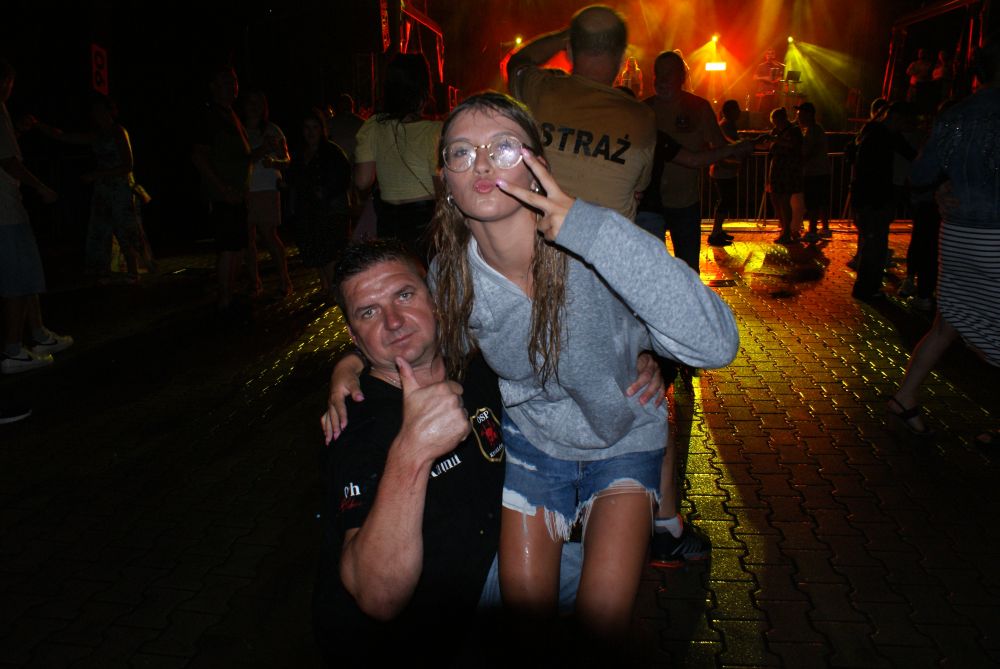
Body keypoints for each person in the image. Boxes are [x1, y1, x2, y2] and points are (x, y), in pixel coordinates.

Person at [324, 92, 739, 657]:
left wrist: (594, 241)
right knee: (525, 636)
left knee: (601, 629)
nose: (483, 163)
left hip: (620, 438)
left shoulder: (593, 241)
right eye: (462, 153)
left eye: (502, 147)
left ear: (537, 163)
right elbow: (413, 336)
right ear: (446, 180)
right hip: (533, 445)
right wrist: (350, 362)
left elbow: (716, 343)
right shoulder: (451, 274)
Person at [312, 238, 585, 666]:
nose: (393, 321)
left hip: (500, 565)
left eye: (404, 295)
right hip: (419, 635)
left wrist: (634, 364)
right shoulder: (356, 425)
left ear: (436, 299)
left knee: (609, 569)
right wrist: (412, 450)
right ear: (354, 337)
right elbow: (377, 596)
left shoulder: (478, 366)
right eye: (368, 312)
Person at [889, 37, 1000, 445]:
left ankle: (905, 397)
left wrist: (946, 186)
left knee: (948, 322)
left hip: (957, 236)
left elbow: (920, 174)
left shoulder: (955, 115)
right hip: (996, 238)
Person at [506, 4, 656, 221]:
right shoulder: (643, 118)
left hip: (541, 237)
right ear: (622, 58)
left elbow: (518, 62)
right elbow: (639, 189)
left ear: (569, 50)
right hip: (606, 240)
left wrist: (567, 36)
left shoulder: (540, 90)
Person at [32, 94, 155, 284]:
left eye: (101, 110)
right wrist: (37, 124)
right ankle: (105, 270)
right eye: (94, 111)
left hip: (120, 188)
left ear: (110, 111)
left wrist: (97, 175)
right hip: (104, 189)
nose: (97, 114)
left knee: (124, 228)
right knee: (102, 228)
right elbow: (64, 136)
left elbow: (128, 165)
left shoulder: (119, 131)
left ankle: (132, 270)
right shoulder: (97, 135)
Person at [0, 57, 73, 374]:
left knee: (27, 271)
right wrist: (41, 187)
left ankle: (39, 334)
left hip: (8, 208)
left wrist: (18, 129)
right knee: (17, 279)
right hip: (5, 210)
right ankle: (13, 350)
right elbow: (8, 161)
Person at [644, 50, 729, 272]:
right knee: (650, 271)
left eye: (669, 73)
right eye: (659, 73)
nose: (662, 79)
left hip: (684, 204)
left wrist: (735, 151)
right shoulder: (644, 110)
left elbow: (719, 145)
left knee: (688, 270)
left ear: (681, 77)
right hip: (649, 206)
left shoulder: (698, 108)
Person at [191, 64, 266, 313]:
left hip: (237, 194)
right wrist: (223, 189)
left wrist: (263, 151)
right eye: (225, 81)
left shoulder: (231, 114)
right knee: (227, 247)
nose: (231, 86)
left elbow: (242, 158)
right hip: (224, 195)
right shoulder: (211, 116)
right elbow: (198, 156)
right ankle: (224, 299)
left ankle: (229, 295)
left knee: (237, 247)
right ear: (213, 86)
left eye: (233, 81)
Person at [355, 53, 440, 262]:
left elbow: (362, 181)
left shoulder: (373, 126)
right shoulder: (435, 131)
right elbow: (442, 190)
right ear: (423, 89)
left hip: (388, 223)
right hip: (425, 224)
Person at [849, 101, 917, 301]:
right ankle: (867, 288)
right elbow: (909, 154)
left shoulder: (871, 133)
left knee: (873, 244)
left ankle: (867, 286)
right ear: (896, 118)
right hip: (875, 199)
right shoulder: (882, 137)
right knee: (875, 245)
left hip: (868, 198)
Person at [285, 108, 351, 300]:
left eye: (315, 127)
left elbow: (343, 178)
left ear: (322, 129)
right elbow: (295, 178)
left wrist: (325, 191)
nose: (311, 132)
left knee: (329, 254)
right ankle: (325, 288)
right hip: (308, 211)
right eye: (307, 128)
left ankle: (337, 294)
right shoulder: (300, 154)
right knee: (315, 251)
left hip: (330, 211)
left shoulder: (332, 152)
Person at [238, 90, 293, 299]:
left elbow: (286, 160)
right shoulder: (238, 129)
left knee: (269, 235)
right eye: (250, 102)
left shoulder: (272, 130)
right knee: (247, 240)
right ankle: (255, 283)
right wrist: (262, 150)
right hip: (243, 189)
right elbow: (240, 160)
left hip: (266, 188)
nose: (253, 107)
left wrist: (275, 161)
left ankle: (284, 280)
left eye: (258, 103)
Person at [764, 107, 804, 244]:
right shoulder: (776, 131)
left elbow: (794, 145)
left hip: (788, 170)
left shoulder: (794, 130)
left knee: (784, 200)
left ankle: (787, 231)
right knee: (776, 199)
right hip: (777, 169)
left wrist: (775, 140)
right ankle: (785, 228)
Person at [707, 100, 744, 247]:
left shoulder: (726, 125)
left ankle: (718, 230)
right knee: (725, 201)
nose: (739, 112)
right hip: (724, 171)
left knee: (724, 201)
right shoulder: (726, 127)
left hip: (725, 170)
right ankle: (715, 233)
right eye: (737, 109)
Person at [795, 102, 831, 242]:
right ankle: (824, 228)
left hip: (814, 171)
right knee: (821, 200)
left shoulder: (812, 131)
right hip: (821, 170)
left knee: (812, 201)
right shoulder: (817, 129)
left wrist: (800, 161)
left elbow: (808, 151)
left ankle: (812, 230)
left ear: (808, 115)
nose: (798, 118)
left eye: (800, 115)